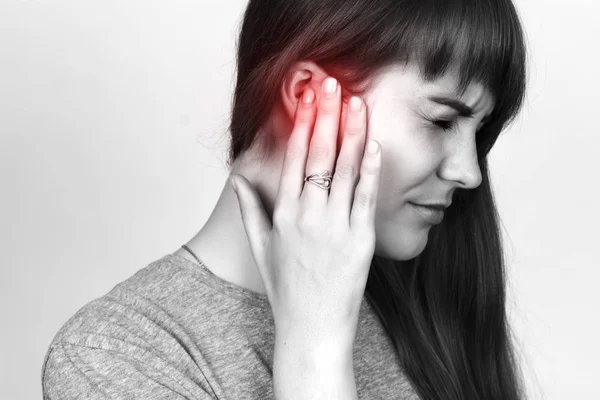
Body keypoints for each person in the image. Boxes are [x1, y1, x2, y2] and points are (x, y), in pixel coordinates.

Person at [42, 0, 528, 399]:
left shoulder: (424, 295)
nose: (469, 173)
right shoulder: (114, 355)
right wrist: (315, 352)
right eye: (442, 121)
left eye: (479, 130)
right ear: (311, 96)